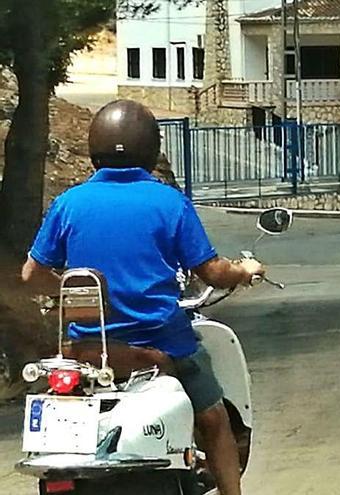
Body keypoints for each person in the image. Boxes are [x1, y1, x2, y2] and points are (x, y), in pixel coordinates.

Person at [20, 99, 259, 495]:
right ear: (151, 149)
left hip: (89, 352)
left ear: (95, 149)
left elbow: (32, 274)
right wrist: (245, 271)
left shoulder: (69, 203)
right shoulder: (169, 202)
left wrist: (77, 293)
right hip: (163, 345)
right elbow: (212, 271)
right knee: (215, 419)